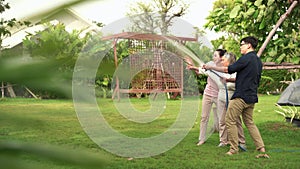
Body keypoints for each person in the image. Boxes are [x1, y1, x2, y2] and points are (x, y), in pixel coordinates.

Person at [203, 36, 266, 155]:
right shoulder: (257, 61)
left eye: (242, 44)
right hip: (252, 96)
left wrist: (211, 67)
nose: (240, 47)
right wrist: (230, 81)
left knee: (229, 120)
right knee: (249, 123)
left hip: (241, 96)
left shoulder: (246, 58)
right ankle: (261, 148)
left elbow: (228, 69)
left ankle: (233, 149)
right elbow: (248, 78)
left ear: (248, 45)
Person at [206, 53, 246, 149]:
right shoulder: (220, 71)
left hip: (233, 98)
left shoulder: (237, 72)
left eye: (224, 60)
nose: (222, 61)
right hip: (221, 98)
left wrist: (229, 80)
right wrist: (196, 67)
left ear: (230, 61)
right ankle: (223, 141)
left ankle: (241, 142)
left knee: (236, 120)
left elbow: (239, 82)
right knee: (222, 120)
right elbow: (206, 71)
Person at [187, 49, 226, 146]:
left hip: (219, 95)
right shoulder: (210, 64)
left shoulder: (225, 69)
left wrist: (194, 67)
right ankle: (201, 139)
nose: (213, 57)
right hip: (207, 94)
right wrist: (192, 66)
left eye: (216, 55)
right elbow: (200, 72)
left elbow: (209, 72)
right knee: (204, 117)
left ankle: (223, 141)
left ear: (221, 58)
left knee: (222, 119)